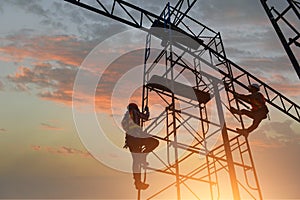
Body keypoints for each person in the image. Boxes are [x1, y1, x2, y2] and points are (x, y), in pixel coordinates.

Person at [121, 103, 159, 190]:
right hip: (137, 138)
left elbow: (127, 128)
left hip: (130, 140)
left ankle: (137, 182)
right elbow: (145, 117)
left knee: (136, 161)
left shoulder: (126, 117)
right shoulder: (134, 112)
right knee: (154, 142)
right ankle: (143, 156)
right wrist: (147, 110)